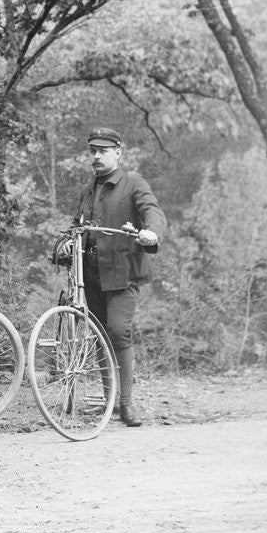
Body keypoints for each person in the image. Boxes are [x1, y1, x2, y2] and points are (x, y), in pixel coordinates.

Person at [73, 127, 167, 428]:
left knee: (118, 331)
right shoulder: (88, 190)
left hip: (123, 274)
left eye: (103, 151)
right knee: (100, 335)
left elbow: (152, 211)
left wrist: (151, 232)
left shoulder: (134, 184)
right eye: (93, 151)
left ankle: (126, 404)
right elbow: (78, 226)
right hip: (92, 275)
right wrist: (67, 244)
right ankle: (110, 400)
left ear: (118, 153)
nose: (96, 156)